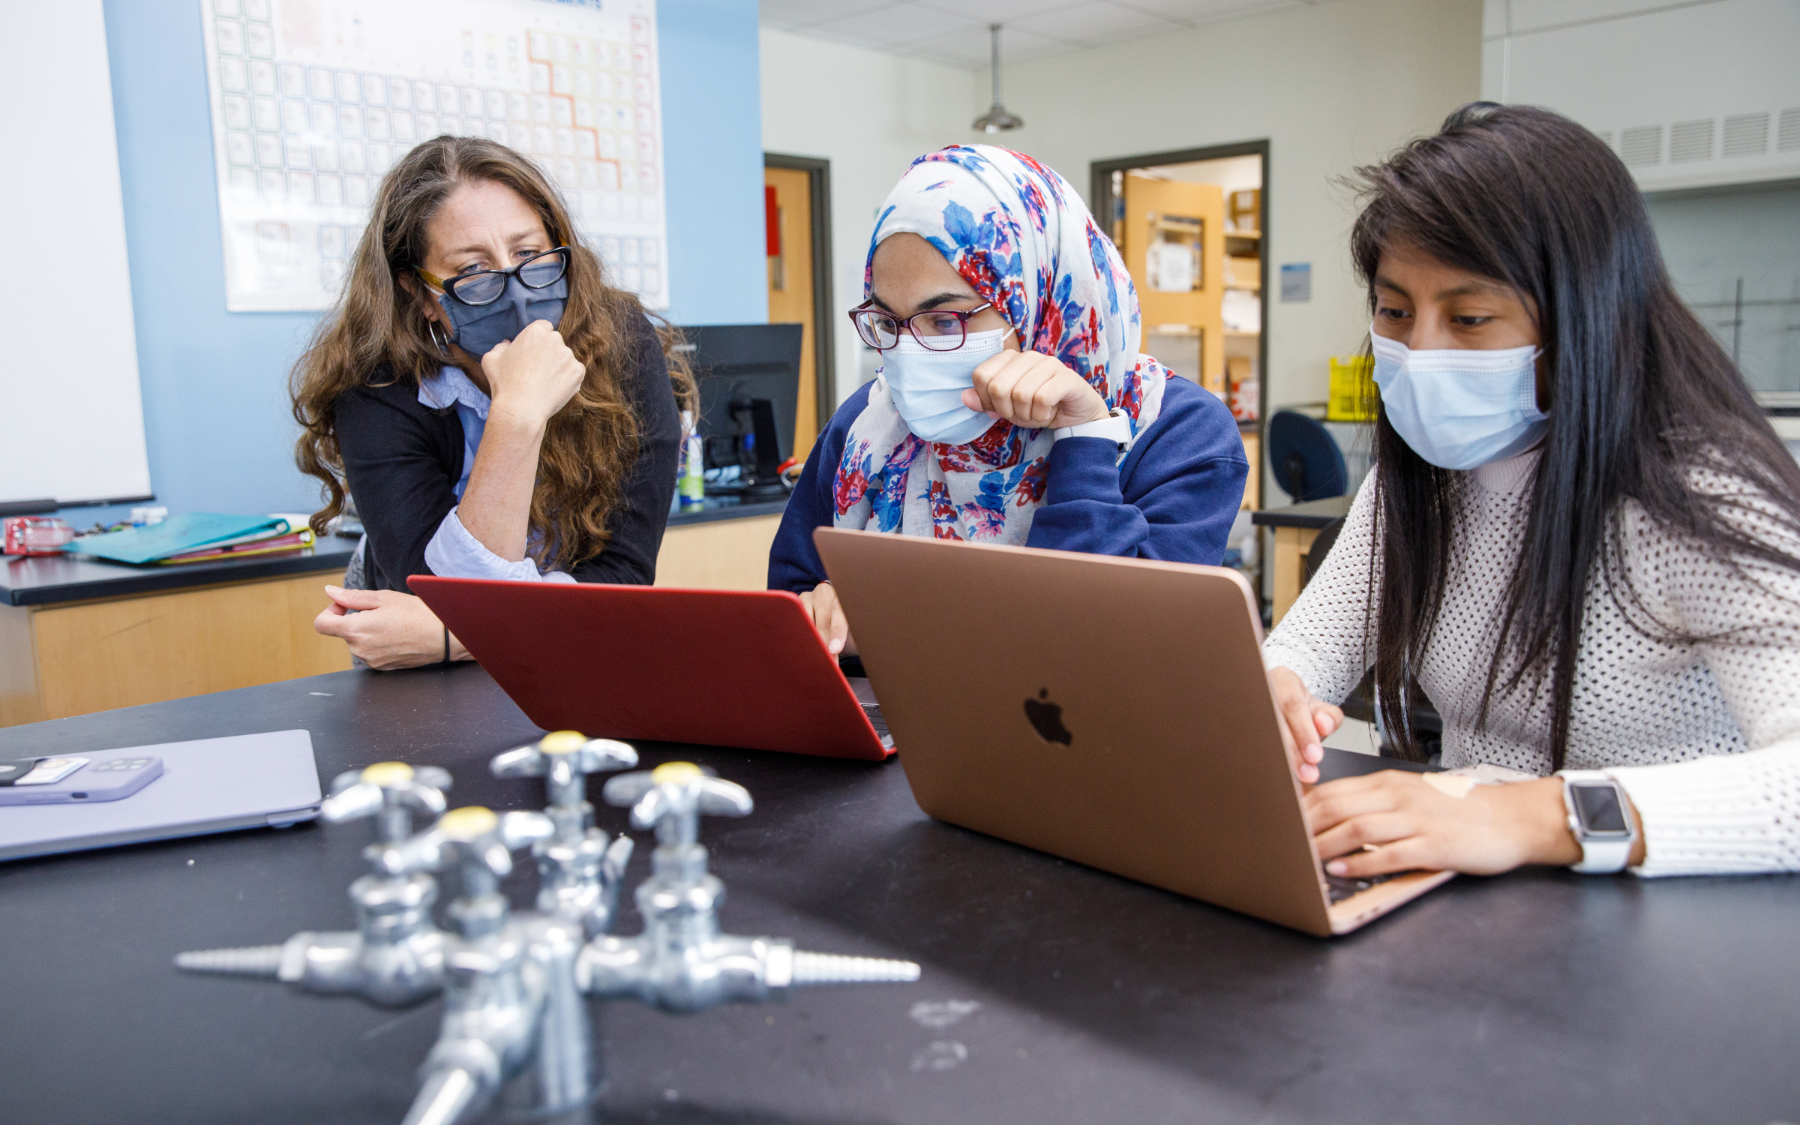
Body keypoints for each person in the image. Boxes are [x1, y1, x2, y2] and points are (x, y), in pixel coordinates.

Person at [1267, 104, 1800, 878]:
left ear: (1586, 316)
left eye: (1471, 317)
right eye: (1394, 310)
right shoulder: (1420, 477)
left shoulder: (1701, 489)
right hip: (1481, 900)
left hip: (1673, 918)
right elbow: (1311, 644)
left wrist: (1530, 816)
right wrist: (1278, 692)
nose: (1420, 355)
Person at [770, 145, 1249, 651]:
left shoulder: (1181, 432)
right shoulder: (867, 425)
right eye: (889, 321)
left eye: (945, 319)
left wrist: (1084, 438)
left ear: (1037, 300)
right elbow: (791, 604)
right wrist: (827, 619)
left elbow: (1128, 649)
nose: (910, 352)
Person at [291, 137, 690, 669]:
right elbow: (438, 593)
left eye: (529, 254)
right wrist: (517, 416)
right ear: (420, 294)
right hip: (424, 674)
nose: (517, 286)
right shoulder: (374, 387)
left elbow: (623, 582)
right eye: (474, 270)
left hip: (538, 648)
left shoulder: (620, 344)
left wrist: (452, 637)